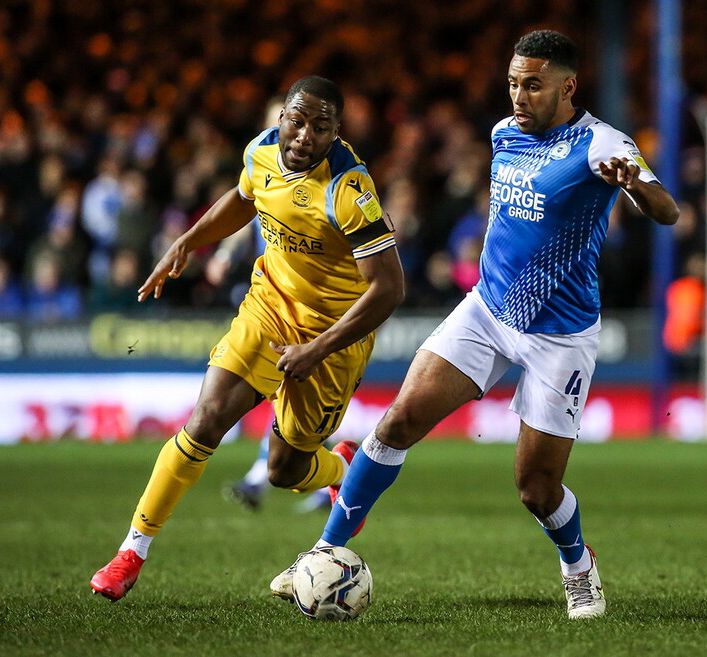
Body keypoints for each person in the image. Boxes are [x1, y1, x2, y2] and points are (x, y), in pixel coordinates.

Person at [269, 30, 679, 620]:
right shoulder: (503, 134)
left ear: (567, 86)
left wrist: (635, 184)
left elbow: (668, 210)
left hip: (558, 336)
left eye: (532, 84)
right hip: (486, 310)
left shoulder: (601, 144)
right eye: (513, 82)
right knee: (396, 423)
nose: (518, 95)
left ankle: (577, 565)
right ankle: (323, 551)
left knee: (536, 490)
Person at [89, 76, 405, 601]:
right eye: (296, 122)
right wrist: (188, 241)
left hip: (331, 338)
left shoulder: (349, 192)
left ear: (336, 134)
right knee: (205, 420)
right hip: (268, 308)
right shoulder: (260, 150)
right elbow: (242, 199)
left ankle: (341, 468)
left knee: (285, 470)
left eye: (320, 128)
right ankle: (131, 552)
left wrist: (318, 348)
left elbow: (390, 289)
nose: (304, 136)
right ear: (281, 117)